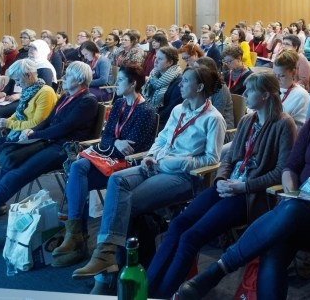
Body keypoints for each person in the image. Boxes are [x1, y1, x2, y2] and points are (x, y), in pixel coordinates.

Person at [178, 71, 310, 299]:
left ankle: (220, 269)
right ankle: (220, 269)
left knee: (284, 223)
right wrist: (292, 193)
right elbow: (290, 168)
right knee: (277, 242)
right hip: (299, 210)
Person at [72, 65, 227, 291]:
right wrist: (151, 155)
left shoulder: (214, 119)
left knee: (124, 204)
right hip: (156, 164)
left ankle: (107, 274)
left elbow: (212, 159)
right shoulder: (179, 110)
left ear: (200, 87)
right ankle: (106, 256)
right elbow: (162, 138)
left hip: (183, 176)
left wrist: (174, 162)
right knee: (117, 181)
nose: (181, 85)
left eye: (186, 81)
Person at [147, 72, 297, 298]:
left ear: (266, 95)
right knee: (177, 224)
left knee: (190, 237)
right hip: (227, 186)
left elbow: (280, 172)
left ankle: (162, 295)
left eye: (250, 90)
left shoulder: (284, 124)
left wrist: (244, 187)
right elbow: (229, 159)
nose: (244, 95)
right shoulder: (248, 120)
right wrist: (220, 179)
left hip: (249, 196)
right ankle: (148, 289)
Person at [51, 64, 157, 267]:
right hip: (109, 157)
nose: (116, 84)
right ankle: (74, 235)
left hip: (127, 165)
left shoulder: (146, 111)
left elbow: (131, 149)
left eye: (120, 80)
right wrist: (115, 142)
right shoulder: (119, 104)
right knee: (77, 168)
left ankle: (78, 240)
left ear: (133, 84)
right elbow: (107, 135)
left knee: (77, 180)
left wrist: (112, 144)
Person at [0, 61, 98, 236]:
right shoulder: (66, 97)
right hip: (47, 141)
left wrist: (34, 134)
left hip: (63, 148)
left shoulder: (88, 101)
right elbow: (48, 121)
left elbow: (63, 128)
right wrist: (32, 132)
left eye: (69, 75)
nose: (64, 77)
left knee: (14, 176)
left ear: (80, 80)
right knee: (6, 169)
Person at [0, 59, 57, 196]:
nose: (17, 84)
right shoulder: (30, 90)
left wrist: (8, 124)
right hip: (17, 134)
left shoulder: (46, 92)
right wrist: (6, 120)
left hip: (29, 140)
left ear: (28, 75)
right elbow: (19, 112)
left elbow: (37, 124)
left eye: (18, 80)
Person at [273, 50, 310, 129]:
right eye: (275, 75)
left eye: (281, 76)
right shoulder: (271, 88)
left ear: (293, 73)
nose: (277, 79)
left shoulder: (301, 95)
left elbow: (301, 127)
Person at [141, 46, 182, 110]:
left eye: (160, 59)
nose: (156, 61)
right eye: (156, 57)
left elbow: (171, 109)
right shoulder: (153, 75)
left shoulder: (178, 82)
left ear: (170, 63)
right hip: (148, 111)